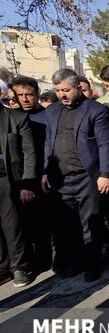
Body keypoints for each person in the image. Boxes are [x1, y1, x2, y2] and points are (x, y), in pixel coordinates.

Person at [43, 68, 109, 281]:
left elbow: (104, 143)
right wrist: (45, 171)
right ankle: (74, 263)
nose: (62, 95)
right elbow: (48, 142)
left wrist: (105, 173)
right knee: (66, 225)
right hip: (60, 178)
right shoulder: (51, 111)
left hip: (87, 177)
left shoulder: (96, 110)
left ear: (78, 88)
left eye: (66, 90)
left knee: (91, 223)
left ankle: (92, 265)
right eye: (58, 90)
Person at [10, 75, 52, 272]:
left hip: (44, 177)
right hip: (20, 180)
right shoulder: (11, 118)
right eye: (20, 95)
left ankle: (47, 259)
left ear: (37, 94)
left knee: (46, 222)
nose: (25, 99)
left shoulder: (48, 116)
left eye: (29, 94)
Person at [0, 90, 36, 287]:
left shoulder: (17, 118)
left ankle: (19, 267)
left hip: (9, 180)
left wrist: (27, 184)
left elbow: (29, 152)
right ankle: (2, 267)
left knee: (12, 225)